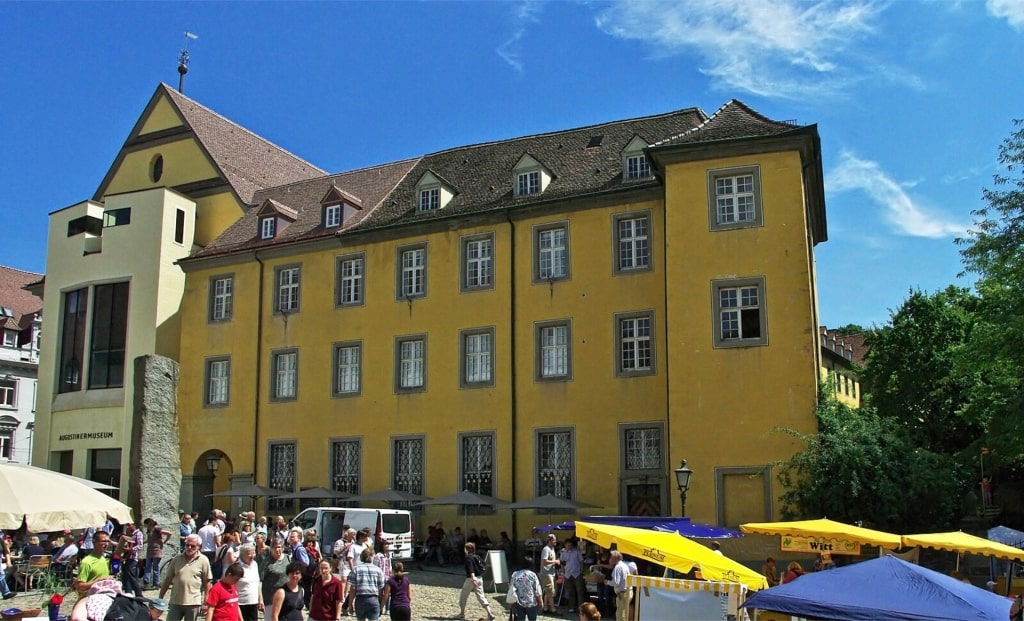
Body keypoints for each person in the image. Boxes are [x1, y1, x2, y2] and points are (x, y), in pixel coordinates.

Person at [159, 534, 213, 621]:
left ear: (199, 547)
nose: (189, 547)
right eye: (187, 545)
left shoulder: (203, 560)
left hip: (193, 602)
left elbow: (207, 582)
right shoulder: (176, 559)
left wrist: (206, 601)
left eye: (193, 546)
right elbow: (168, 579)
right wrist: (160, 597)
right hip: (176, 601)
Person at [457, 542, 495, 621]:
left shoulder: (468, 558)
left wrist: (473, 579)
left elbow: (471, 569)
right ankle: (490, 613)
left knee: (463, 596)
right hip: (479, 578)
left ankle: (462, 614)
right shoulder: (477, 557)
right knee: (481, 597)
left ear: (467, 549)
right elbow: (484, 565)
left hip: (471, 579)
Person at [349, 548, 385, 621]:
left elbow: (353, 588)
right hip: (374, 599)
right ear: (373, 557)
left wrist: (350, 604)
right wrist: (381, 604)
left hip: (360, 599)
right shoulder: (378, 570)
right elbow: (381, 589)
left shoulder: (356, 569)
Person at [258, 540, 289, 612]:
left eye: (279, 547)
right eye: (275, 547)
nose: (277, 549)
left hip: (286, 597)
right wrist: (260, 598)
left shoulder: (287, 558)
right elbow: (260, 581)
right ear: (271, 549)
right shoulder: (266, 562)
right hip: (270, 599)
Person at [235, 544, 262, 621]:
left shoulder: (255, 564)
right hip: (240, 603)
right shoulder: (237, 566)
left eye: (253, 553)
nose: (252, 556)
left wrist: (260, 599)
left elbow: (257, 582)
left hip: (253, 601)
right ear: (242, 554)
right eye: (249, 553)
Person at [120, 520, 146, 597]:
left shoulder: (138, 534)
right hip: (127, 558)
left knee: (132, 577)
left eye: (129, 525)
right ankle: (128, 593)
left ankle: (139, 595)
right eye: (127, 525)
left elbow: (140, 545)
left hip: (133, 558)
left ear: (133, 525)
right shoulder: (130, 535)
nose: (128, 527)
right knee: (125, 576)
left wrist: (131, 549)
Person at [560, 538, 586, 614]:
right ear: (565, 545)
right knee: (570, 591)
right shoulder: (563, 553)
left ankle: (581, 608)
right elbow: (562, 563)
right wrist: (563, 572)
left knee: (579, 591)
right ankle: (571, 607)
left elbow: (581, 561)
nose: (569, 546)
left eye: (571, 545)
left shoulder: (577, 552)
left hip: (577, 573)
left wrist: (581, 570)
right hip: (568, 574)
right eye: (568, 545)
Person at [145, 518, 172, 588]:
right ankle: (146, 581)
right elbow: (149, 540)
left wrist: (165, 541)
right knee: (147, 566)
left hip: (156, 551)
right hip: (150, 551)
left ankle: (156, 584)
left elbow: (169, 533)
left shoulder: (157, 530)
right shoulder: (149, 531)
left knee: (155, 568)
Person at [539, 534, 560, 613]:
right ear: (550, 540)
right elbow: (544, 561)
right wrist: (555, 561)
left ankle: (545, 608)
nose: (556, 541)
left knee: (549, 591)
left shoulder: (552, 548)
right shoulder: (546, 549)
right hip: (546, 573)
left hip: (552, 572)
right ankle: (553, 609)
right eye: (554, 540)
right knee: (550, 591)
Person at [607, 550, 631, 621]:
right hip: (627, 592)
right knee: (623, 615)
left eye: (611, 557)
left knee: (620, 616)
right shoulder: (624, 565)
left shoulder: (617, 567)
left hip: (622, 593)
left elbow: (616, 583)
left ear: (615, 558)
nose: (610, 559)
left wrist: (607, 582)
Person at [371, 541, 392, 615]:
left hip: (387, 577)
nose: (387, 546)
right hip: (380, 577)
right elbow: (375, 566)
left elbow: (390, 565)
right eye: (386, 544)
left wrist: (390, 573)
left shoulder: (388, 554)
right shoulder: (378, 555)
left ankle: (387, 609)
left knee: (387, 593)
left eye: (388, 544)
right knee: (380, 594)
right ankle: (380, 608)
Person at [0, 533, 15, 599]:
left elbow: (6, 552)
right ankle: (6, 593)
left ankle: (6, 593)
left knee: (1, 574)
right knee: (1, 574)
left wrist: (8, 561)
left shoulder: (1, 541)